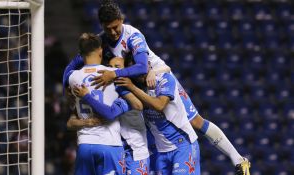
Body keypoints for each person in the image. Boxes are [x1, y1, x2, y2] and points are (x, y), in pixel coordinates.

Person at [62, 1, 250, 174]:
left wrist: (115, 74)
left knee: (194, 122)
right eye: (108, 28)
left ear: (122, 20)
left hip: (157, 75)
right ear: (102, 25)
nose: (113, 32)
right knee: (149, 124)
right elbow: (72, 67)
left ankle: (238, 159)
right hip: (136, 83)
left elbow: (143, 67)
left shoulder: (133, 35)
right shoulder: (101, 40)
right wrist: (67, 88)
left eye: (116, 27)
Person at [68, 33, 133, 175]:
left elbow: (67, 74)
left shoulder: (73, 77)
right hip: (109, 143)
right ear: (100, 50)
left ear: (81, 53)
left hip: (85, 143)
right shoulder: (114, 73)